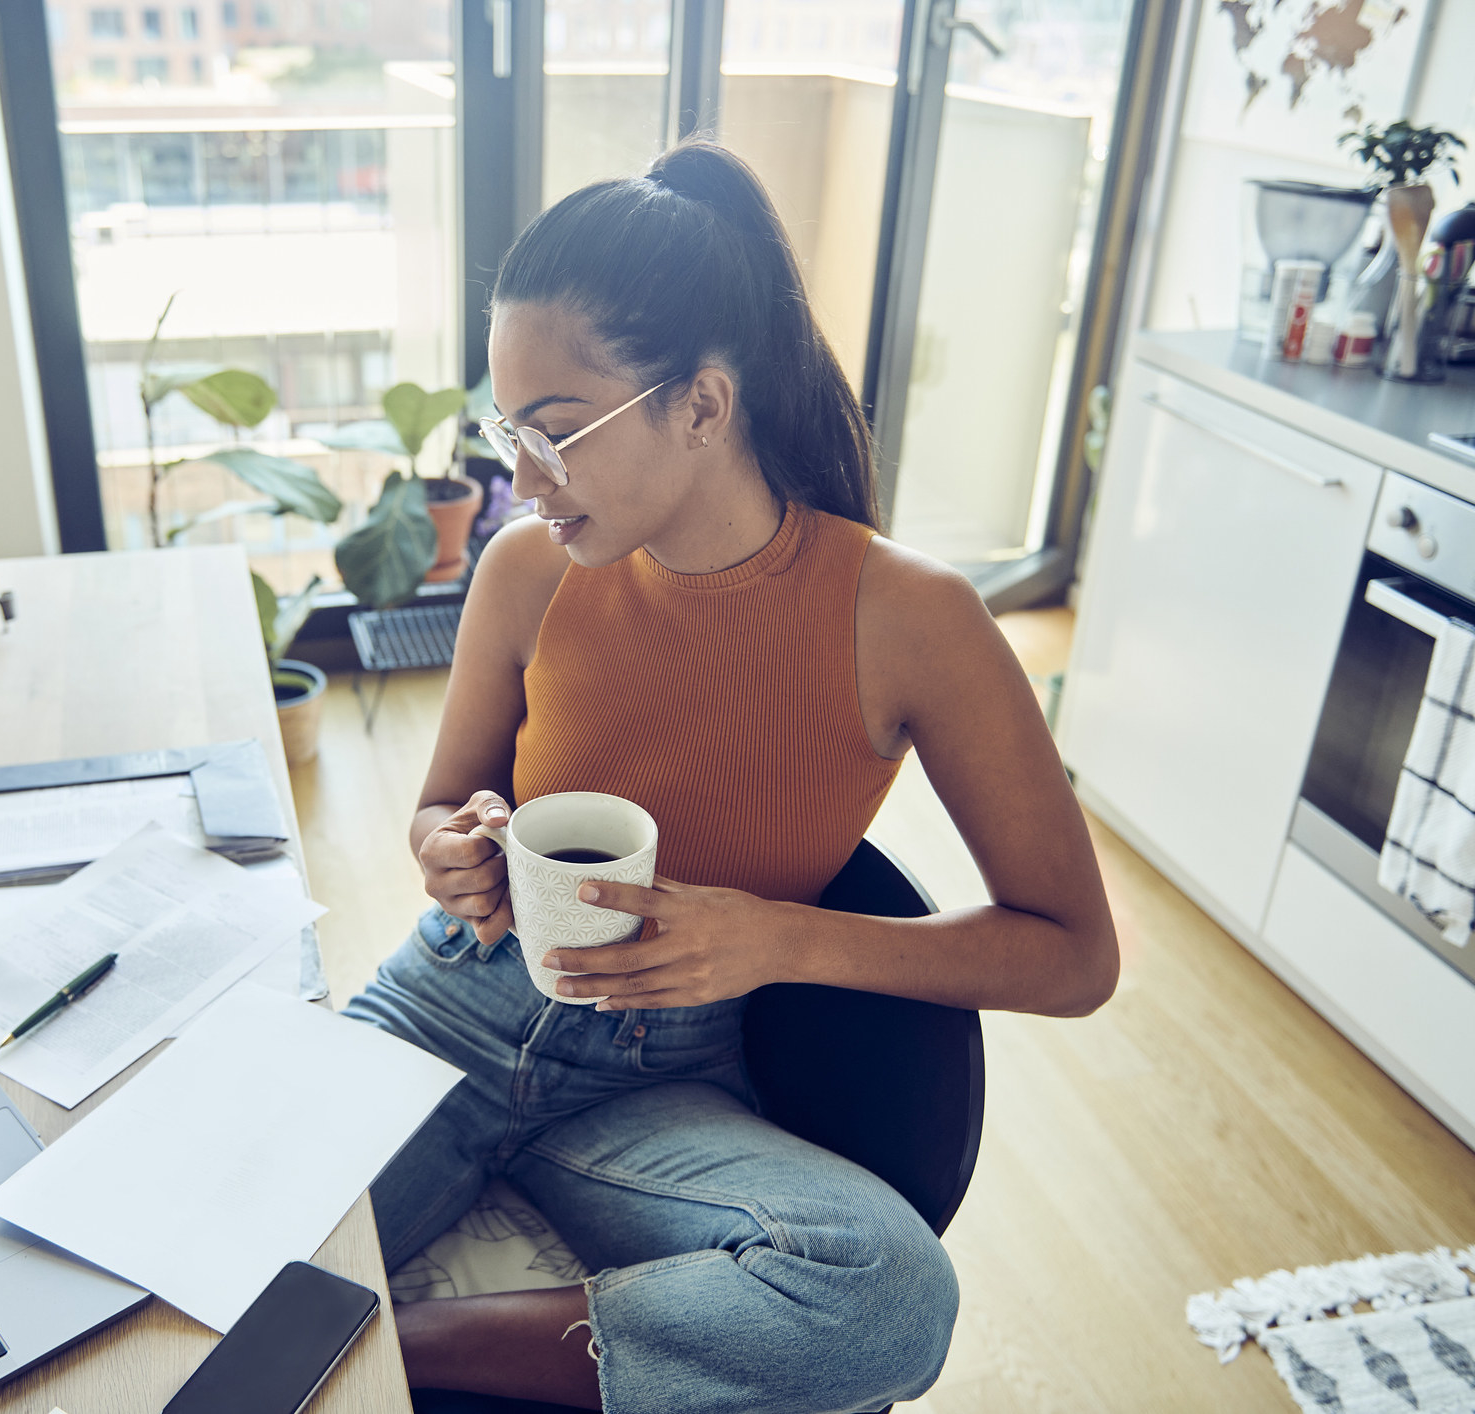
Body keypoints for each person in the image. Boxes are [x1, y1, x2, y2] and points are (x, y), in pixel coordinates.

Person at [342, 140, 1119, 1414]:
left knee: (889, 1289)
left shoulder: (911, 620)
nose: (516, 481)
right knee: (196, 1261)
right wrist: (449, 846)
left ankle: (391, 1350)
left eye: (552, 435)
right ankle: (355, 1329)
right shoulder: (525, 572)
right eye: (504, 432)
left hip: (654, 1080)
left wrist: (772, 941)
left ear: (700, 405)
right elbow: (441, 803)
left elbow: (1075, 955)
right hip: (449, 1010)